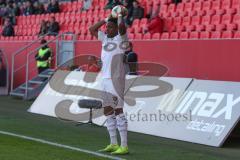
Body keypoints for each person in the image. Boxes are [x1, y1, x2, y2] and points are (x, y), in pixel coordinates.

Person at [89, 12, 129, 155]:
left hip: (116, 79)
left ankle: (124, 146)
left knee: (118, 110)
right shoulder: (105, 39)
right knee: (107, 110)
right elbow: (91, 29)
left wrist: (118, 16)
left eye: (110, 27)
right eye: (107, 27)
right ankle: (113, 143)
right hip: (105, 79)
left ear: (116, 29)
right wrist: (105, 19)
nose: (107, 29)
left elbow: (123, 28)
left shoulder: (121, 39)